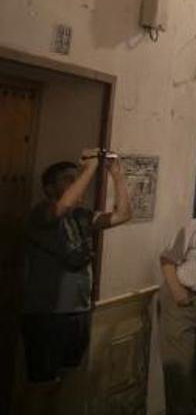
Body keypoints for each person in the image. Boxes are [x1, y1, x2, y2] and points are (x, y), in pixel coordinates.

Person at [20, 154, 131, 411]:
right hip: (46, 313)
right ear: (49, 188)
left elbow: (123, 215)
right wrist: (90, 167)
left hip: (78, 310)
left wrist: (117, 174)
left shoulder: (82, 216)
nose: (78, 183)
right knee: (42, 383)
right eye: (68, 180)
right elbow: (60, 209)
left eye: (77, 178)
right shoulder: (41, 213)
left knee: (64, 381)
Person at [159, 214, 196, 415]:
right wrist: (178, 291)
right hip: (184, 297)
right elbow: (167, 258)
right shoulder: (195, 226)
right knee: (179, 366)